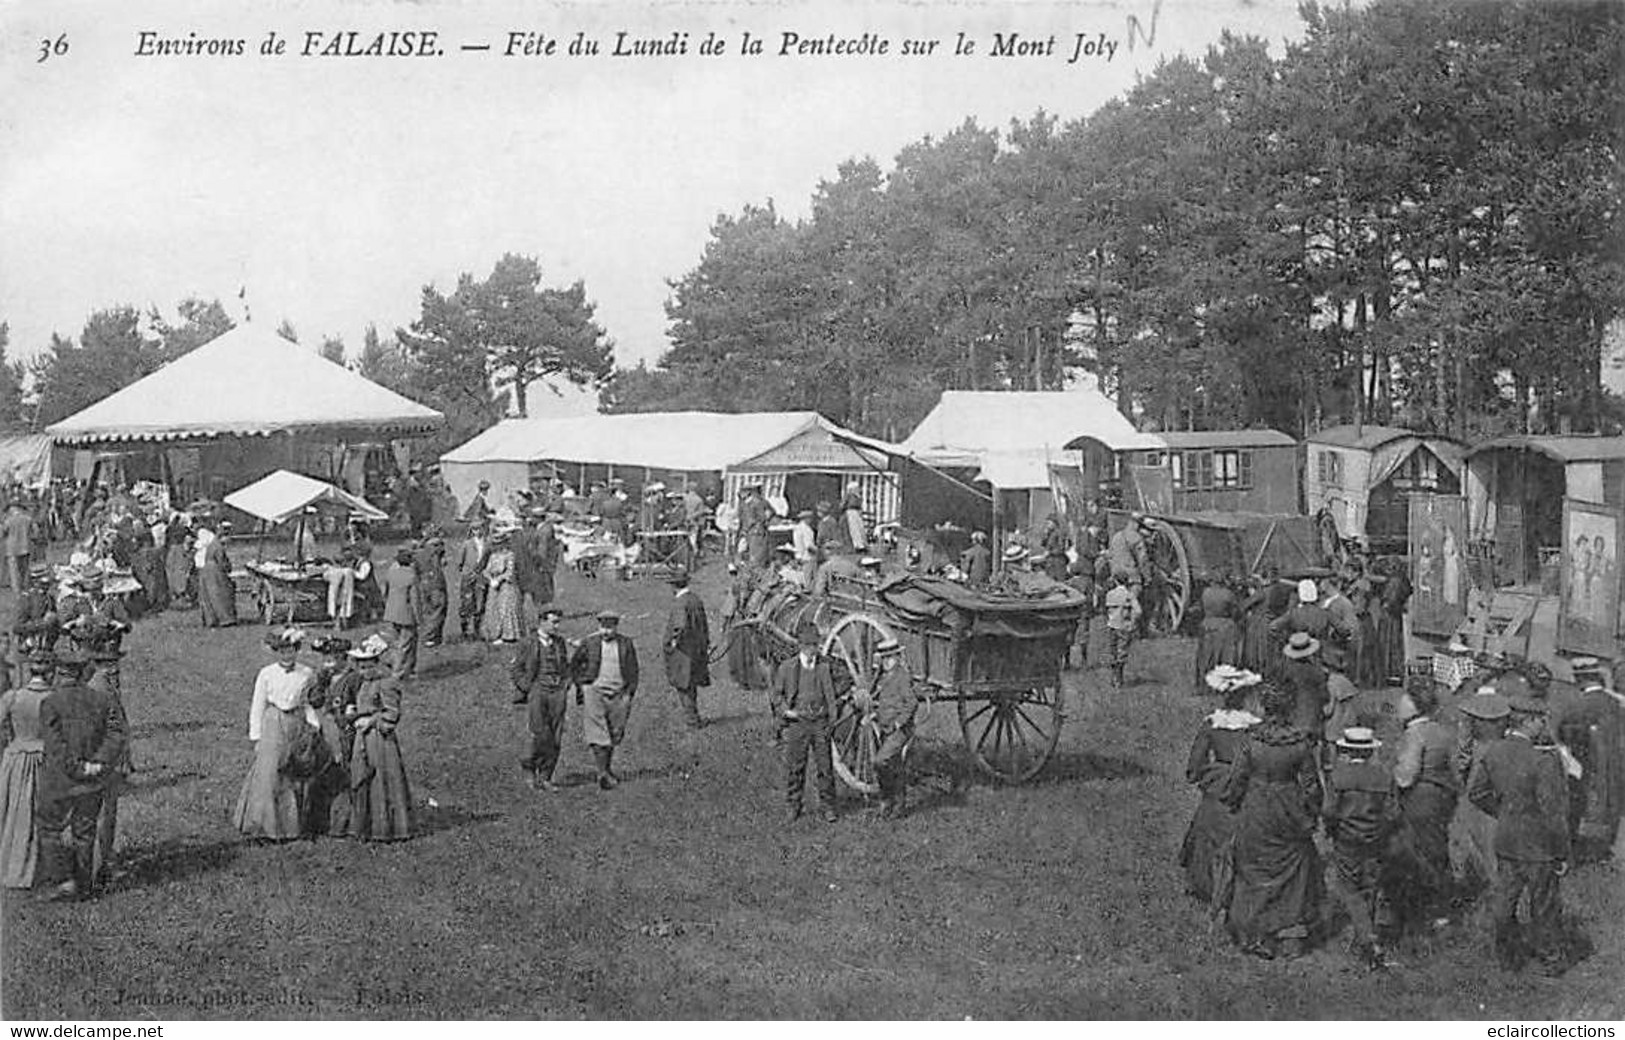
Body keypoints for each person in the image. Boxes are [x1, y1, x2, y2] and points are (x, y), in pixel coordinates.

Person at [1468, 696, 1572, 974]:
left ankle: (1506, 956)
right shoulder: (1543, 760)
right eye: (1541, 720)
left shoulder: (1494, 752)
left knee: (1505, 900)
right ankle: (1550, 958)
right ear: (1529, 721)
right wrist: (1561, 852)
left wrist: (1503, 812)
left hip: (1506, 840)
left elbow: (1476, 794)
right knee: (1544, 904)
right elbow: (1552, 812)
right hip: (1539, 845)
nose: (1543, 726)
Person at [1222, 681, 1323, 959]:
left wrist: (1232, 801)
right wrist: (1311, 813)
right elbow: (1312, 786)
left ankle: (1252, 929)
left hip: (1257, 806)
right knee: (1293, 868)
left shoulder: (1252, 741)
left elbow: (1237, 778)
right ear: (1290, 707)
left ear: (1265, 707)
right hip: (1288, 806)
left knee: (1254, 865)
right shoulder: (1300, 743)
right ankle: (1289, 933)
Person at [1321, 726, 1401, 970]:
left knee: (1348, 887)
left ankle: (1367, 939)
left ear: (1345, 749)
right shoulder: (1384, 777)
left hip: (1347, 839)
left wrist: (1332, 830)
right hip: (1376, 839)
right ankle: (1366, 935)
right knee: (1370, 886)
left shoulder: (1338, 777)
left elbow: (1329, 811)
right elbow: (1393, 812)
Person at [1180, 667, 1262, 904]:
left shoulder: (1212, 724)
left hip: (1218, 783)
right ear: (1246, 697)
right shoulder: (1254, 727)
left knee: (1205, 828)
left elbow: (1195, 764)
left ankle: (1204, 883)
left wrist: (1201, 776)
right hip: (1246, 784)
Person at [232, 629, 318, 841]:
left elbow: (307, 702)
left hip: (296, 721)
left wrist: (314, 724)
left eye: (290, 651)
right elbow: (258, 705)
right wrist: (256, 736)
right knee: (269, 772)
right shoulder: (266, 673)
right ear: (275, 652)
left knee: (294, 771)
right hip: (273, 722)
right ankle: (263, 825)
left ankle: (291, 825)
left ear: (297, 651)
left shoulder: (307, 673)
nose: (286, 656)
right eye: (282, 652)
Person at [1390, 676, 1458, 932]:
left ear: (1413, 707)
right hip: (1443, 796)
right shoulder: (1441, 730)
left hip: (1419, 798)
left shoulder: (1414, 734)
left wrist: (1392, 774)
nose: (1398, 707)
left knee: (1416, 853)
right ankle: (1441, 906)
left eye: (1403, 703)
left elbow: (1406, 776)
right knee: (1437, 850)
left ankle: (1424, 908)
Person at [344, 634, 413, 841]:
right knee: (361, 778)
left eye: (368, 666)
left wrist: (371, 721)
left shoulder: (387, 683)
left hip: (380, 740)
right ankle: (364, 826)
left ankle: (386, 828)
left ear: (377, 663)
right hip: (362, 737)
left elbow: (391, 714)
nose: (364, 671)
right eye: (361, 666)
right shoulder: (364, 683)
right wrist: (354, 712)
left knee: (382, 781)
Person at [770, 623, 839, 824]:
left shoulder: (825, 666)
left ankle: (828, 807)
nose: (812, 651)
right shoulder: (787, 668)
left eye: (815, 646)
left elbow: (838, 688)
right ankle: (793, 806)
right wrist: (786, 711)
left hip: (820, 723)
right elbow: (776, 695)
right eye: (808, 646)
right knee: (796, 767)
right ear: (800, 646)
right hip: (798, 723)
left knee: (825, 768)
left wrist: (831, 718)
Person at [0, 650, 55, 889]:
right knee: (37, 813)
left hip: (16, 759)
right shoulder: (54, 698)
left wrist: (10, 739)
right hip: (43, 759)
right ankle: (39, 868)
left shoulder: (12, 697)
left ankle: (10, 863)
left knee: (12, 810)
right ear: (51, 673)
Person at [570, 610, 639, 790]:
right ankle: (602, 773)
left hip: (619, 693)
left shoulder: (625, 644)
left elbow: (633, 669)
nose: (606, 632)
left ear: (616, 627)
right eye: (603, 627)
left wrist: (630, 691)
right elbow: (574, 664)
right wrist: (583, 685)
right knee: (598, 733)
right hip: (595, 691)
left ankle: (607, 769)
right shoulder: (590, 643)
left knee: (615, 732)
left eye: (609, 628)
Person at [511, 606, 572, 792]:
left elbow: (565, 666)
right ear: (542, 622)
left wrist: (566, 683)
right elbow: (516, 670)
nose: (557, 626)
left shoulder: (559, 643)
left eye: (558, 622)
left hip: (557, 693)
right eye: (554, 622)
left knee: (556, 735)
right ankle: (529, 767)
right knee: (540, 734)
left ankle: (546, 776)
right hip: (538, 692)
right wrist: (529, 688)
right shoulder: (528, 642)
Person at [305, 636, 358, 837]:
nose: (328, 664)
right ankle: (321, 821)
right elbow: (315, 701)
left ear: (343, 658)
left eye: (332, 659)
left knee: (345, 773)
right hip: (327, 729)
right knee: (324, 772)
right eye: (325, 659)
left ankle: (345, 822)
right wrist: (320, 683)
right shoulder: (325, 677)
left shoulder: (352, 678)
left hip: (345, 730)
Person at [870, 638, 915, 819]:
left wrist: (899, 722)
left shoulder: (902, 676)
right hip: (885, 728)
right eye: (884, 658)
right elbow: (883, 703)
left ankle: (886, 799)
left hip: (899, 730)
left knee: (879, 762)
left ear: (897, 657)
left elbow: (911, 702)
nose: (887, 662)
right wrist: (874, 715)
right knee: (895, 766)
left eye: (891, 658)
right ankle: (898, 805)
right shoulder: (883, 677)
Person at [662, 573, 710, 730]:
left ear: (674, 586)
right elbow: (703, 626)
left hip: (683, 652)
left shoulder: (680, 602)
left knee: (683, 686)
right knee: (691, 685)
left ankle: (692, 721)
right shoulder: (695, 599)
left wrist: (673, 642)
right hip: (697, 651)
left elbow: (679, 626)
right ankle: (694, 718)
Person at [10, 564, 60, 688]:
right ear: (36, 581)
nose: (49, 584)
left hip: (47, 648)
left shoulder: (49, 598)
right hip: (30, 651)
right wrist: (42, 624)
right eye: (45, 581)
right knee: (29, 685)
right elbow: (17, 627)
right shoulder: (26, 599)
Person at [1194, 574, 1243, 697]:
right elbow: (1236, 612)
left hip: (1208, 625)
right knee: (1226, 657)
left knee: (1206, 656)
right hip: (1225, 626)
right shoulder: (1228, 594)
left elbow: (1201, 608)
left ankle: (1204, 686)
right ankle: (1224, 686)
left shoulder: (1206, 593)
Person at [1278, 632, 1329, 749]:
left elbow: (1283, 695)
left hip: (1294, 717)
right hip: (1313, 717)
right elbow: (1325, 696)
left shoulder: (1288, 672)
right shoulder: (1317, 671)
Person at [380, 548, 422, 679]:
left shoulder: (391, 573)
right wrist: (419, 617)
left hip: (391, 611)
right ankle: (398, 672)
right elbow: (415, 599)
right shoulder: (412, 576)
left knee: (396, 642)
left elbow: (384, 591)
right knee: (406, 644)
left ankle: (405, 668)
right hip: (406, 613)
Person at [482, 532, 523, 645]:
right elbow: (486, 570)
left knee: (505, 608)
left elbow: (510, 572)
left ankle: (508, 635)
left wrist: (499, 579)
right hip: (494, 586)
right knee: (493, 608)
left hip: (506, 585)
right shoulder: (493, 556)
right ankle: (495, 634)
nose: (498, 546)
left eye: (500, 543)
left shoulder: (510, 555)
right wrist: (490, 579)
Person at [1103, 573, 1141, 688]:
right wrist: (1132, 622)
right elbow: (1138, 611)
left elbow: (1106, 610)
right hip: (1124, 626)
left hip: (1112, 625)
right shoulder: (1129, 595)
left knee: (1112, 651)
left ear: (1115, 581)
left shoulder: (1110, 594)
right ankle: (1119, 678)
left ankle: (1113, 677)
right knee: (1122, 651)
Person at [196, 524, 238, 628]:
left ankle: (211, 619)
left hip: (207, 570)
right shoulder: (218, 547)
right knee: (221, 594)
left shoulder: (212, 544)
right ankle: (226, 618)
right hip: (215, 571)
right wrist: (228, 567)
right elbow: (221, 561)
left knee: (210, 596)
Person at [456, 521, 492, 641]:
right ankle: (465, 631)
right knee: (466, 603)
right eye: (474, 529)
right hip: (468, 575)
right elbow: (459, 562)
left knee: (480, 603)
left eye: (479, 528)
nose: (477, 531)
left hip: (481, 576)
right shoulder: (467, 544)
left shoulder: (487, 543)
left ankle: (477, 630)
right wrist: (466, 571)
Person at [414, 536, 449, 649]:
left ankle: (433, 637)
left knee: (428, 610)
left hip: (423, 585)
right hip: (436, 584)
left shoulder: (418, 554)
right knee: (438, 610)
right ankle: (429, 637)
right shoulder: (434, 553)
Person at [738, 484, 772, 569]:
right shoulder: (746, 503)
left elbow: (763, 516)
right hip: (751, 531)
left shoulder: (757, 502)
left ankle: (757, 572)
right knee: (751, 553)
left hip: (756, 531)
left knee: (757, 554)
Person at [4, 500, 34, 592]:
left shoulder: (8, 520)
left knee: (14, 572)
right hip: (25, 546)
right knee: (25, 570)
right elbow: (35, 532)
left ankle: (17, 590)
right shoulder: (28, 519)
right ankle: (26, 587)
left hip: (12, 549)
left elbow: (3, 533)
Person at [1038, 514, 1069, 581]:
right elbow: (1043, 545)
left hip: (1058, 563)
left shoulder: (1060, 533)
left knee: (1060, 583)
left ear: (1054, 523)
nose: (1047, 525)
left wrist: (1050, 553)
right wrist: (1045, 536)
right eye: (1047, 523)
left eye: (1049, 523)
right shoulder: (1049, 533)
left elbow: (1061, 549)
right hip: (1050, 564)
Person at [841, 484, 869, 554]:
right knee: (854, 529)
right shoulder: (848, 495)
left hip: (857, 512)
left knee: (860, 529)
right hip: (851, 512)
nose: (858, 489)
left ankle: (863, 544)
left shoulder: (858, 496)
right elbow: (843, 504)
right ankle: (858, 545)